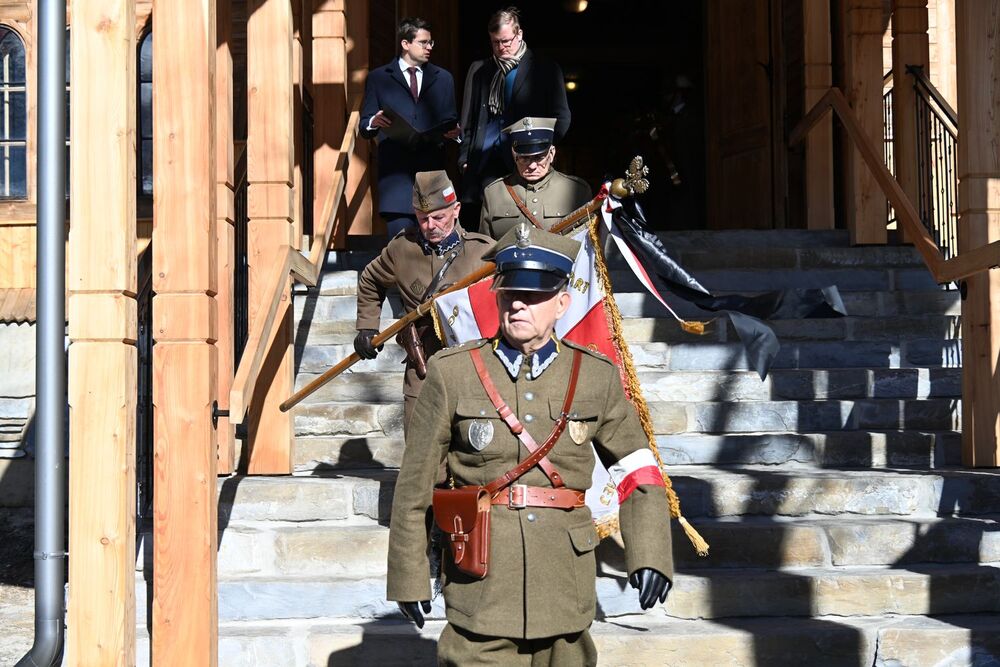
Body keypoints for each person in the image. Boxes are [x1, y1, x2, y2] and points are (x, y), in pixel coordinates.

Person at [386, 224, 674, 666]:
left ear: (562, 303)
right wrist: (409, 575)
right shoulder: (453, 373)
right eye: (509, 293)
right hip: (481, 587)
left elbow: (638, 471)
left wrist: (649, 552)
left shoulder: (594, 376)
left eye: (534, 294)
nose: (518, 303)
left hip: (564, 585)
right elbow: (415, 485)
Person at [354, 171, 493, 431]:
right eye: (422, 218)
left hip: (472, 368)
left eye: (438, 217)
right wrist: (367, 326)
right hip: (422, 366)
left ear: (456, 210)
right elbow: (371, 279)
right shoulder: (402, 249)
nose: (430, 226)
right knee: (420, 445)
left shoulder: (483, 253)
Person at [458, 7, 571, 218]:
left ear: (519, 34)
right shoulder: (480, 70)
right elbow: (469, 119)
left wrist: (542, 151)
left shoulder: (545, 68)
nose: (501, 47)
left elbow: (562, 117)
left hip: (527, 160)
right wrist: (464, 158)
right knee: (482, 225)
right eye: (495, 42)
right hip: (484, 162)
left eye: (506, 41)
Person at [360, 17, 461, 238]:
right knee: (400, 250)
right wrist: (373, 122)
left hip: (432, 177)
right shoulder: (378, 78)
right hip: (396, 182)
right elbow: (364, 124)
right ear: (405, 44)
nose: (429, 47)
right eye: (423, 42)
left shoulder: (444, 79)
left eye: (431, 42)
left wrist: (455, 134)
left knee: (435, 248)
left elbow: (450, 120)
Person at [479, 116, 591, 239]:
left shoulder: (577, 190)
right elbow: (486, 246)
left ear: (552, 153)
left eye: (539, 157)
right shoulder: (494, 192)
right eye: (524, 158)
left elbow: (585, 242)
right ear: (514, 155)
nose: (532, 166)